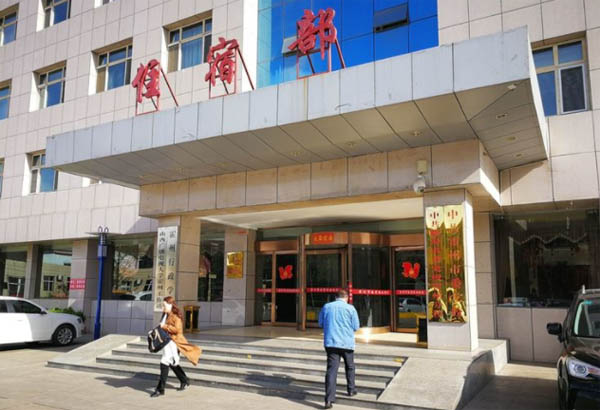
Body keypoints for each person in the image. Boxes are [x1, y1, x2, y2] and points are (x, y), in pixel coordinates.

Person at [151, 296, 202, 397]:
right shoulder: (165, 315)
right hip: (167, 343)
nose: (163, 308)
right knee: (171, 363)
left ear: (170, 305)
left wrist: (164, 327)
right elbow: (161, 327)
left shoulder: (176, 316)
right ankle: (184, 380)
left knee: (164, 362)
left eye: (164, 305)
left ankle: (160, 389)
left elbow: (177, 330)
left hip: (175, 343)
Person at [318, 289, 360, 409]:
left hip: (331, 342)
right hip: (347, 343)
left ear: (335, 297)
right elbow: (356, 326)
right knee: (350, 366)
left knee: (332, 370)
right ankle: (351, 390)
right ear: (346, 297)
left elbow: (320, 323)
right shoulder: (351, 308)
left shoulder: (327, 307)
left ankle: (329, 400)